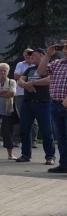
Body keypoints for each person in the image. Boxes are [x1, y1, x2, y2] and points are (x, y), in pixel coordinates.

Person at [17, 49, 55, 164]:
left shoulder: (49, 67)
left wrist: (32, 83)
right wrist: (25, 85)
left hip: (43, 103)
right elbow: (20, 80)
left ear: (42, 55)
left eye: (34, 55)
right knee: (24, 129)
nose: (31, 57)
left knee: (46, 131)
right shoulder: (30, 69)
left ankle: (50, 156)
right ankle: (25, 154)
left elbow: (49, 80)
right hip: (28, 103)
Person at [37, 43, 67, 174]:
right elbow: (41, 71)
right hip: (55, 104)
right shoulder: (57, 63)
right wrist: (48, 55)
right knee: (61, 137)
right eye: (65, 48)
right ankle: (64, 164)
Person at [14, 49, 38, 146]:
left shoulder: (36, 65)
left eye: (29, 56)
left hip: (33, 93)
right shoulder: (20, 64)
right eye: (26, 56)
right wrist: (30, 77)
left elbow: (39, 77)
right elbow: (16, 76)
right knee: (19, 116)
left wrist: (24, 77)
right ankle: (17, 139)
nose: (27, 57)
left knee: (34, 117)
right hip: (20, 93)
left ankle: (33, 140)